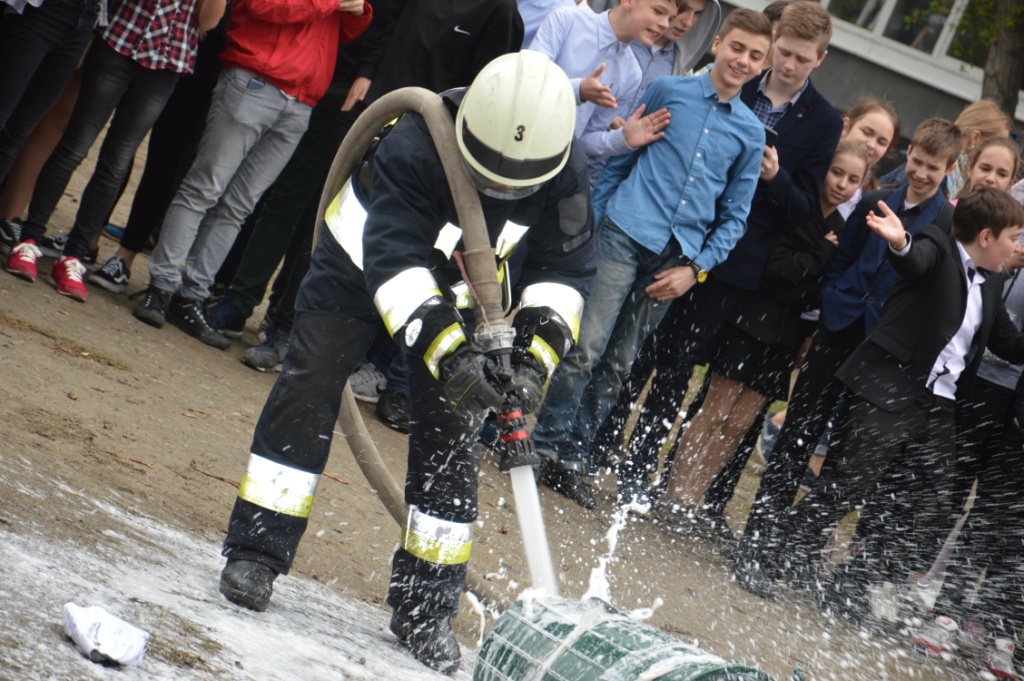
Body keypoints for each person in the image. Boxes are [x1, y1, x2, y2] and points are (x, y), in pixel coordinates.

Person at [217, 52, 595, 673]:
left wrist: (532, 359)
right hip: (358, 265)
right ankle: (255, 552)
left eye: (513, 185)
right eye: (489, 178)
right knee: (310, 385)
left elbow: (566, 274)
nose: (499, 192)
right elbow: (394, 265)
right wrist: (451, 353)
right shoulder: (418, 143)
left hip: (465, 287)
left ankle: (424, 609)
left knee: (452, 434)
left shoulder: (565, 171)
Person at [596, 0, 844, 513]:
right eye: (784, 52)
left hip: (735, 260)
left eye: (802, 58)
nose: (788, 64)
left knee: (678, 365)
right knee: (636, 347)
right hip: (673, 234)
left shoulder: (821, 122)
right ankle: (600, 444)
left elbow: (804, 209)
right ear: (770, 44)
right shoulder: (739, 75)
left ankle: (641, 470)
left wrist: (773, 177)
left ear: (820, 59)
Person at [530, 8, 771, 510]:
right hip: (622, 232)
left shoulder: (750, 135)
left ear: (762, 64)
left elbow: (734, 217)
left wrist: (695, 269)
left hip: (674, 260)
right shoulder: (669, 92)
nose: (742, 60)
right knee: (586, 347)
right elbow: (625, 156)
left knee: (619, 363)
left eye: (755, 56)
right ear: (718, 43)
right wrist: (594, 226)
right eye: (737, 48)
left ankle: (573, 458)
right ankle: (543, 444)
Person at [764, 188, 1024, 622]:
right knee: (845, 489)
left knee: (930, 516)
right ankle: (766, 554)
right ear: (985, 235)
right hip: (890, 391)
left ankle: (848, 584)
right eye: (1014, 237)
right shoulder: (936, 246)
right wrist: (899, 242)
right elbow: (912, 257)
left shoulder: (991, 281)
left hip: (936, 408)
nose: (1017, 248)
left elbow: (1010, 344)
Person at [729, 117, 961, 595]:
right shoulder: (880, 197)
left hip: (881, 349)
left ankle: (794, 555)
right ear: (907, 151)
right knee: (797, 437)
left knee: (841, 457)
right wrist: (835, 293)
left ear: (950, 169)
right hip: (839, 326)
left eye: (932, 168)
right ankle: (755, 542)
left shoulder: (945, 223)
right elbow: (844, 253)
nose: (919, 173)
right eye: (915, 160)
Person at [128, 0, 372, 348]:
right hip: (255, 80)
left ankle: (191, 296)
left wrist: (360, 9)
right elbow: (264, 8)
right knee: (204, 189)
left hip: (300, 98)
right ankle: (160, 288)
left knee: (239, 205)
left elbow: (347, 31)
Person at [653, 139, 868, 531]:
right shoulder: (798, 211)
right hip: (751, 321)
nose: (841, 184)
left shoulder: (841, 230)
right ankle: (673, 492)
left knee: (739, 425)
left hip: (786, 336)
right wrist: (817, 256)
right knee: (715, 411)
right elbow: (775, 272)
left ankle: (693, 499)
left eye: (853, 179)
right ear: (824, 169)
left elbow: (813, 292)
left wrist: (807, 321)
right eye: (837, 172)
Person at [2, 0, 227, 297]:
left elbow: (209, 22)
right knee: (73, 147)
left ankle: (75, 256)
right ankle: (30, 239)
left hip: (166, 61)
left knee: (115, 164)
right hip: (120, 41)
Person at [910, 139, 1023, 681]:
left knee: (1015, 526)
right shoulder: (1012, 206)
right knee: (976, 504)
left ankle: (1003, 631)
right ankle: (947, 611)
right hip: (994, 382)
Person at [528, 0, 678, 186]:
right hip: (507, 143)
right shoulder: (565, 19)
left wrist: (623, 139)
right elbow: (527, 81)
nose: (665, 24)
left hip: (547, 176)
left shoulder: (632, 74)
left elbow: (583, 140)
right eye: (658, 11)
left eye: (670, 18)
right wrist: (579, 90)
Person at [879, 99, 1011, 198]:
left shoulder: (966, 175)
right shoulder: (942, 166)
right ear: (975, 137)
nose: (1002, 150)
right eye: (996, 142)